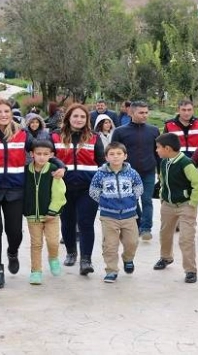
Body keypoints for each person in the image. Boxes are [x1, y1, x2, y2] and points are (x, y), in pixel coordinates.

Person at [0, 98, 65, 289]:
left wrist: (60, 165)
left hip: (15, 190)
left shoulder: (22, 134)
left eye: (6, 111)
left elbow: (41, 150)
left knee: (15, 232)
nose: (3, 115)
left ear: (11, 113)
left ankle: (12, 252)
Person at [51, 104, 105, 275]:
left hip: (88, 188)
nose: (79, 119)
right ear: (68, 118)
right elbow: (49, 159)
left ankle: (86, 260)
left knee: (86, 223)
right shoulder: (55, 136)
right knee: (67, 222)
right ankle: (71, 252)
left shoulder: (94, 138)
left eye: (83, 117)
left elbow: (102, 162)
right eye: (75, 116)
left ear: (87, 120)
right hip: (63, 188)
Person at [89, 142, 144, 283]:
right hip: (109, 216)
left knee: (132, 242)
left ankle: (128, 259)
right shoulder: (100, 174)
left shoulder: (132, 173)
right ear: (106, 157)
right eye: (111, 154)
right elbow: (93, 191)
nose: (115, 157)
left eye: (119, 154)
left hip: (129, 215)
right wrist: (104, 202)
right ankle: (111, 270)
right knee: (110, 246)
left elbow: (139, 187)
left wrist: (132, 199)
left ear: (125, 156)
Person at [153, 133, 198, 283]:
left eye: (158, 148)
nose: (156, 150)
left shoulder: (186, 163)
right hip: (168, 205)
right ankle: (166, 258)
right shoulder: (163, 162)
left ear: (167, 148)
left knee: (186, 239)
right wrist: (163, 197)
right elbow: (162, 180)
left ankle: (190, 270)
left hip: (185, 206)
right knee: (165, 234)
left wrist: (193, 203)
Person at [111, 101, 160, 240]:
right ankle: (138, 224)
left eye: (146, 112)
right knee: (132, 200)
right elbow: (114, 152)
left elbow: (158, 152)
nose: (144, 115)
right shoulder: (120, 131)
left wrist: (161, 170)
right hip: (127, 173)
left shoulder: (154, 130)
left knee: (147, 200)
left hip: (148, 171)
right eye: (141, 113)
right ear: (131, 113)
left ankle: (146, 228)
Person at [23, 139, 67, 285]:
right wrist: (24, 208)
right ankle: (36, 271)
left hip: (51, 216)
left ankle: (53, 258)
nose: (42, 157)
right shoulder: (25, 171)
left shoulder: (54, 170)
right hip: (32, 216)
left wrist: (53, 211)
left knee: (53, 242)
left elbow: (59, 193)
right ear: (32, 154)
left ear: (51, 155)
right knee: (36, 244)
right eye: (38, 153)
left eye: (45, 154)